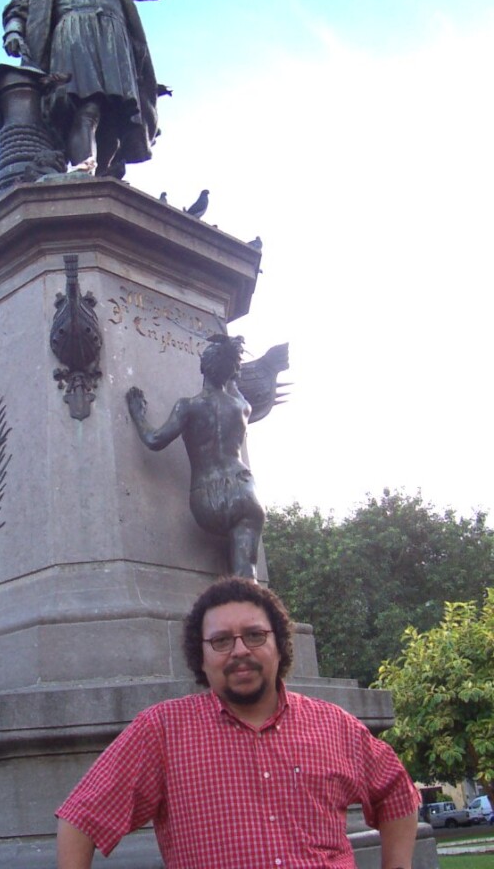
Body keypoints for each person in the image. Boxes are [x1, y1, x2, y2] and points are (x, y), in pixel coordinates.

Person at [56, 577, 421, 869]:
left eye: (254, 635)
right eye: (220, 641)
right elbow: (81, 818)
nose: (240, 650)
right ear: (200, 657)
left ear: (279, 644)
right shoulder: (161, 732)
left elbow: (397, 794)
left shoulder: (334, 726)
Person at [1, 0, 248, 176]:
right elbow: (18, 8)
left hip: (114, 41)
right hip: (73, 38)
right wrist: (13, 33)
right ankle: (84, 172)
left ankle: (103, 177)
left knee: (116, 116)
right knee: (87, 107)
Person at [126, 335, 265, 579]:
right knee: (246, 573)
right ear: (231, 372)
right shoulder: (241, 408)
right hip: (244, 490)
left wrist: (138, 414)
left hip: (207, 498)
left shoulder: (189, 406)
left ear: (203, 367)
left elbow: (154, 440)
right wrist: (233, 368)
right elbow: (235, 387)